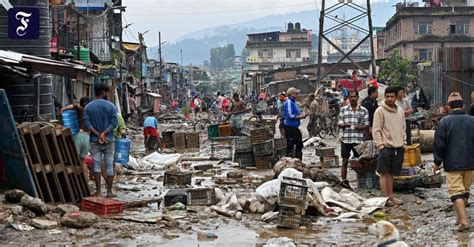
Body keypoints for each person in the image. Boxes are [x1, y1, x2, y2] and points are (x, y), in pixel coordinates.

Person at [433, 92, 474, 231]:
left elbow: (439, 144)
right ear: (463, 106)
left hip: (453, 164)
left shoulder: (444, 122)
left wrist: (437, 162)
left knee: (456, 192)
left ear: (448, 108)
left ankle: (463, 221)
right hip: (471, 164)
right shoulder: (472, 120)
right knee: (465, 190)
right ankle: (459, 217)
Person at [373, 86, 406, 206]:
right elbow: (376, 130)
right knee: (383, 172)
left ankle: (391, 196)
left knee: (391, 173)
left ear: (397, 97)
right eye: (387, 96)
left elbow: (403, 128)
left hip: (398, 147)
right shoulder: (380, 111)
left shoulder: (400, 111)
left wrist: (404, 143)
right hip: (385, 147)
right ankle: (385, 198)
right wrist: (380, 146)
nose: (389, 99)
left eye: (392, 96)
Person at [84, 84, 118, 198]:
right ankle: (109, 191)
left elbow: (88, 124)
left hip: (94, 140)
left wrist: (98, 134)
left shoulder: (88, 107)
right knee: (109, 164)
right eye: (106, 92)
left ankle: (98, 191)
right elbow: (114, 123)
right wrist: (104, 133)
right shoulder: (111, 106)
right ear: (103, 93)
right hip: (109, 140)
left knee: (97, 164)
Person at [338, 90, 369, 189]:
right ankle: (344, 181)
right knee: (345, 161)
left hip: (358, 140)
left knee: (360, 162)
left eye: (354, 97)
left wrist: (360, 127)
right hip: (346, 139)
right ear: (348, 98)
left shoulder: (363, 110)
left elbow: (367, 124)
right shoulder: (343, 110)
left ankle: (362, 182)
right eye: (350, 97)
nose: (352, 99)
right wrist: (345, 125)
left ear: (357, 97)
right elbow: (339, 123)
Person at [60, 97, 91, 178]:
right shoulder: (90, 112)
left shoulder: (80, 109)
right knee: (82, 161)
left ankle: (73, 178)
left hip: (79, 135)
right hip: (87, 137)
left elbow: (73, 106)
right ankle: (85, 181)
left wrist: (62, 109)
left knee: (73, 159)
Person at [284, 87, 307, 160]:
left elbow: (297, 112)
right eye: (296, 93)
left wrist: (303, 114)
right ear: (291, 94)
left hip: (295, 126)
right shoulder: (289, 102)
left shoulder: (294, 102)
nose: (297, 95)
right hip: (290, 127)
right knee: (290, 145)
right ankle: (289, 160)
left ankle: (298, 161)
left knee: (299, 144)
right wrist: (300, 117)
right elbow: (290, 115)